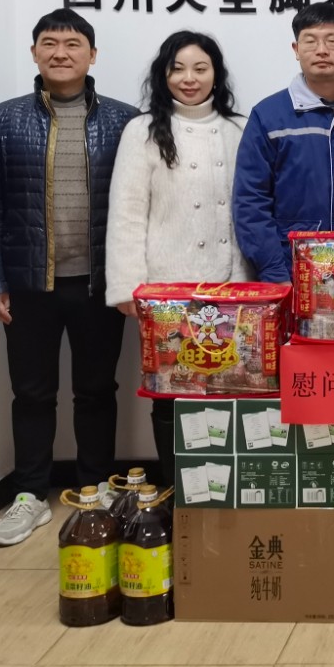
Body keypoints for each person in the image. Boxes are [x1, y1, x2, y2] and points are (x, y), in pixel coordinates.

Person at [0, 9, 138, 548]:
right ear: (34, 53)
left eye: (73, 44)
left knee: (97, 390)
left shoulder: (124, 120)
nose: (60, 53)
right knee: (31, 393)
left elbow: (136, 205)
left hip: (98, 282)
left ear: (92, 55)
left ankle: (95, 488)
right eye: (49, 43)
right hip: (30, 282)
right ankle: (30, 494)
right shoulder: (4, 120)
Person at [105, 32, 248, 484]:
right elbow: (127, 212)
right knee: (170, 391)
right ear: (163, 75)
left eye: (200, 68)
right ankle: (174, 490)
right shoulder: (143, 130)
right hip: (167, 289)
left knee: (229, 386)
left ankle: (223, 488)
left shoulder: (239, 129)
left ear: (216, 75)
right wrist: (127, 286)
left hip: (233, 287)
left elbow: (251, 208)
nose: (189, 78)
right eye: (178, 68)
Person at [233, 2, 334, 281]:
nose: (321, 50)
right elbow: (250, 201)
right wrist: (275, 271)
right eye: (310, 41)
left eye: (332, 40)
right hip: (294, 269)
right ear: (296, 49)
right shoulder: (269, 117)